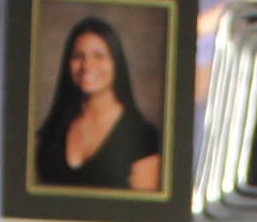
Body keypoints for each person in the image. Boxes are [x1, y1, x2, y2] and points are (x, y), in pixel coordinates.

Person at [33, 15, 164, 193]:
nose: (87, 66)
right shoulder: (53, 132)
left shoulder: (144, 138)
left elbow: (144, 214)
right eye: (78, 56)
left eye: (99, 56)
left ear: (116, 63)